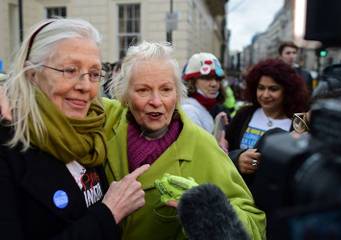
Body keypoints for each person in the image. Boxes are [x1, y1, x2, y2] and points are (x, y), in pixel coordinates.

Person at [0, 18, 149, 240]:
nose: (85, 86)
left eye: (94, 73)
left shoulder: (90, 131)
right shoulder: (8, 148)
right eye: (70, 70)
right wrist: (108, 213)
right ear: (33, 74)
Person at [103, 41, 266, 240]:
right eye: (143, 90)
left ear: (178, 94)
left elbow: (255, 225)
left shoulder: (203, 145)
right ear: (125, 95)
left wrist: (211, 214)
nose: (156, 101)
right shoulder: (108, 121)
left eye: (166, 89)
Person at [226, 59, 309, 188]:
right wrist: (237, 159)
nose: (265, 95)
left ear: (287, 90)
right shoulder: (244, 114)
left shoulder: (299, 120)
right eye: (261, 88)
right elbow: (223, 152)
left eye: (273, 89)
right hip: (239, 191)